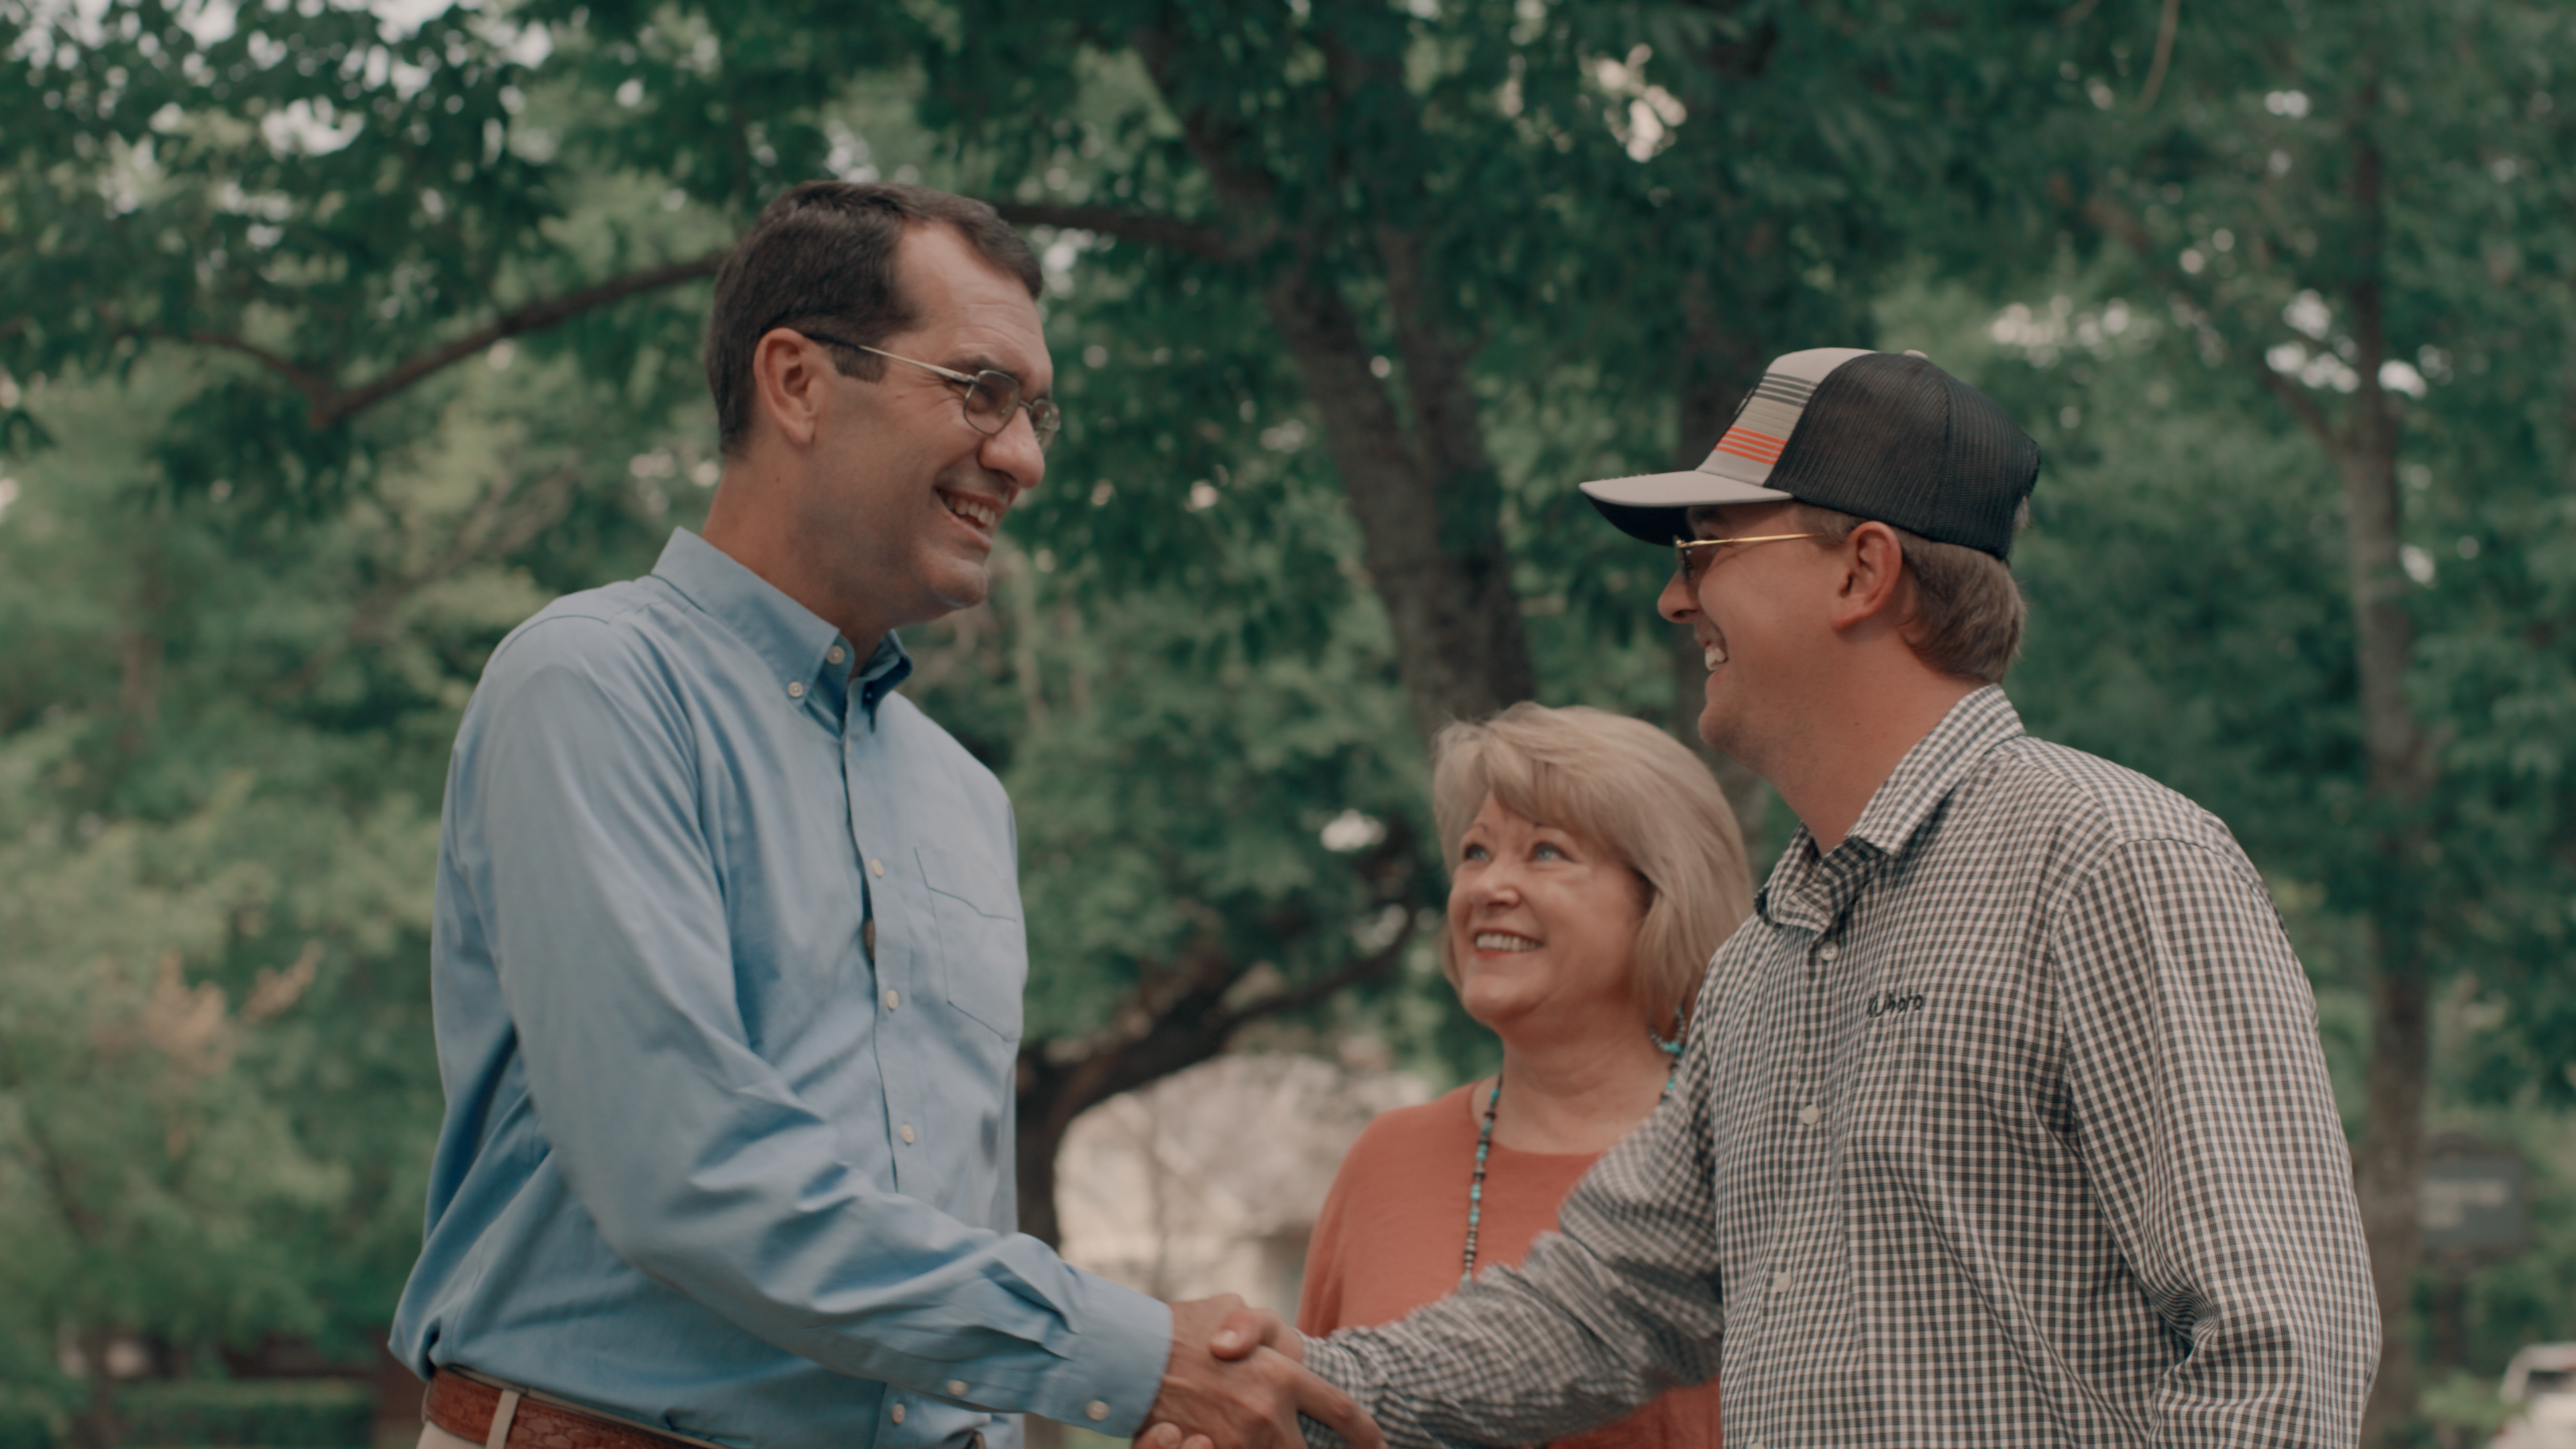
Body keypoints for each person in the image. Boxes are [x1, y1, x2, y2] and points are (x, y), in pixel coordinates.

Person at [1183, 347, 2379, 1447]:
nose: (1675, 598)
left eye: (1708, 548)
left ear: (1863, 570)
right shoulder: (1766, 961)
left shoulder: (2113, 863)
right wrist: (1308, 1386)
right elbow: (1606, 1298)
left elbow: (2283, 1357)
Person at [389, 180, 1377, 1449]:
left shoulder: (965, 800)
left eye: (1035, 411)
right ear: (797, 382)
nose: (1024, 457)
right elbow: (682, 1171)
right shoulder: (590, 686)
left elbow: (952, 1234)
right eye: (978, 391)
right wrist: (1130, 1357)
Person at [1298, 703, 1751, 1449]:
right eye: (1476, 852)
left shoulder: (1752, 1143)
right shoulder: (1386, 1158)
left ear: (1661, 898)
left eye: (1545, 853)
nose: (1487, 887)